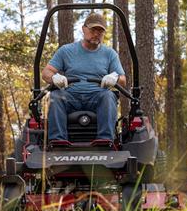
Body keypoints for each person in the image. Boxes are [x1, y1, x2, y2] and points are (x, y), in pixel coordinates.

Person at [42, 13, 126, 142]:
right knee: (55, 96)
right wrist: (54, 77)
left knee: (109, 96)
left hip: (97, 97)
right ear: (84, 29)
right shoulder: (66, 51)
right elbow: (46, 72)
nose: (96, 33)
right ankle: (58, 141)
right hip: (70, 96)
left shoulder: (110, 54)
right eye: (93, 29)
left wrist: (114, 77)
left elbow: (122, 80)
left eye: (100, 31)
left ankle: (105, 141)